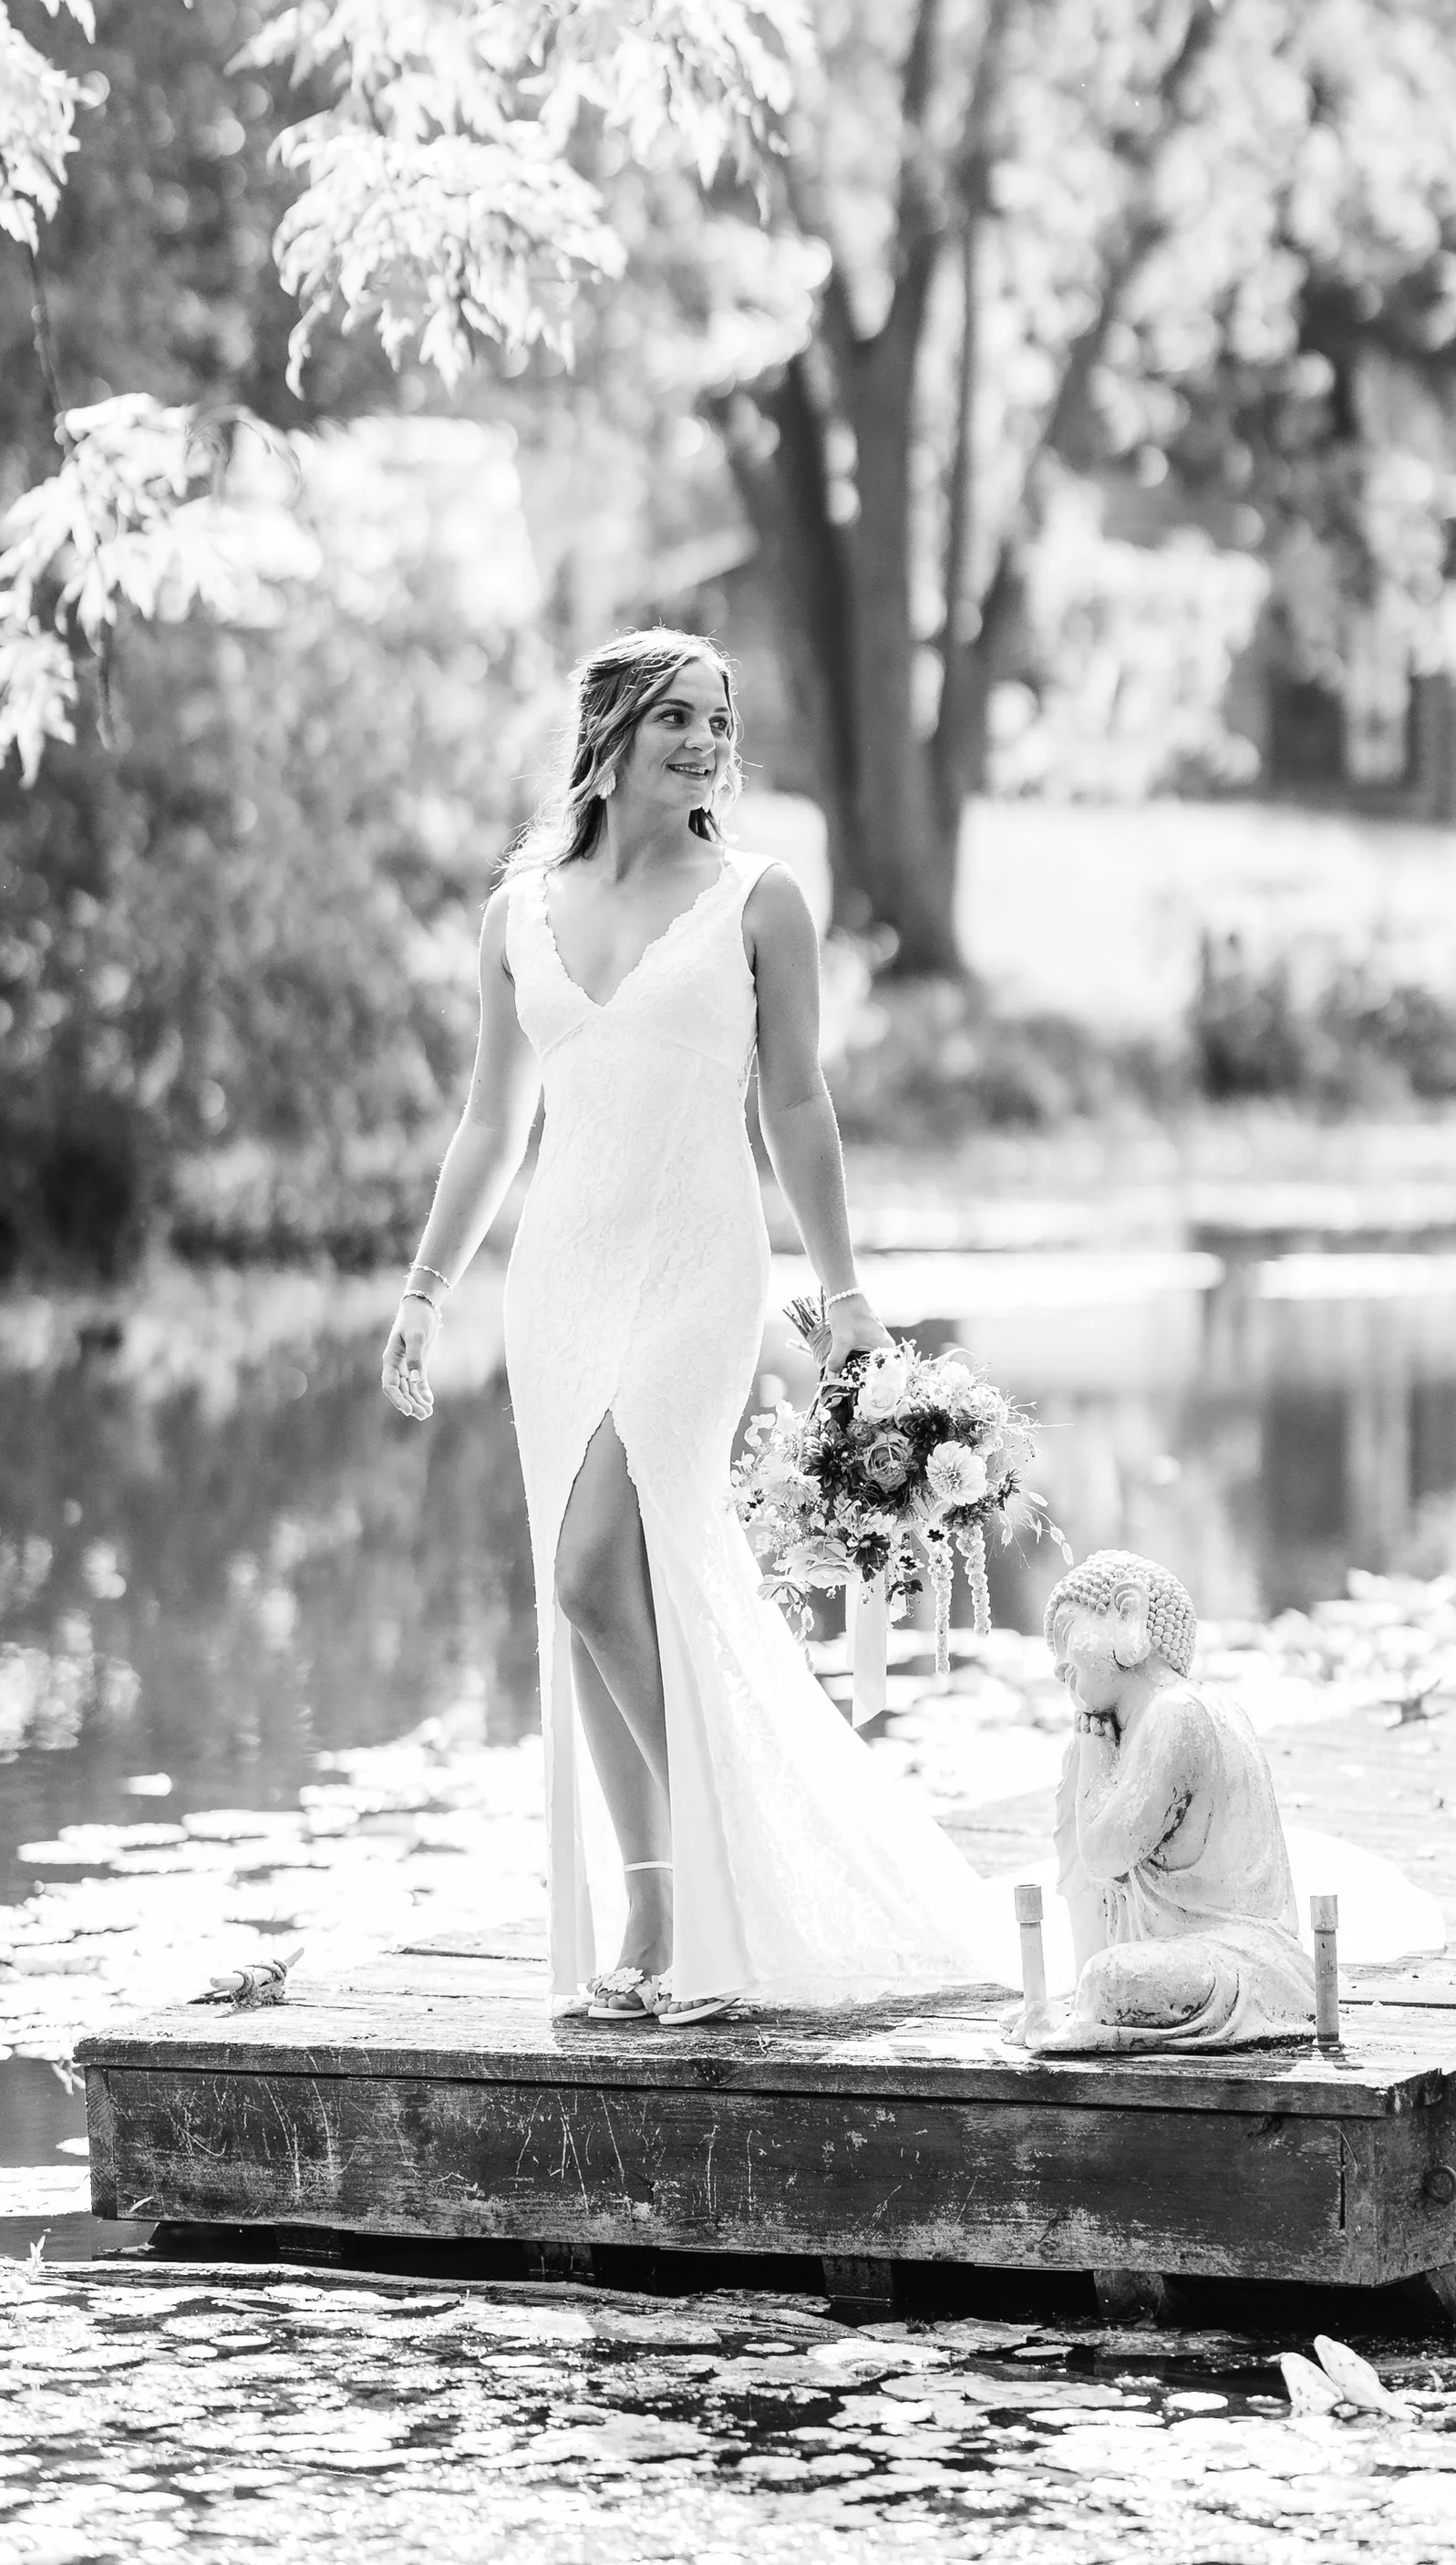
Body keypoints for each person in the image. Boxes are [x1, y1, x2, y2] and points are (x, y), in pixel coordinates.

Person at [379, 626, 1003, 2025]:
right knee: (584, 1588)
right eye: (677, 716)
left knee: (604, 1565)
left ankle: (718, 1878)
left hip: (696, 1270)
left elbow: (795, 1106)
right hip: (559, 1277)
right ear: (608, 730)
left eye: (720, 718)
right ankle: (658, 1905)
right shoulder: (518, 909)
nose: (707, 741)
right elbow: (492, 1117)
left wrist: (843, 1293)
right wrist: (426, 1286)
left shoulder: (757, 899)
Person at [1015, 1548, 1317, 2053]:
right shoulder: (1132, 1727)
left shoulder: (1178, 1714)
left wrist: (1093, 1751)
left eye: (1068, 1635)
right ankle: (1086, 2006)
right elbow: (1090, 1878)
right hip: (1181, 1954)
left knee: (1111, 1980)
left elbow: (1106, 1854)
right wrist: (1086, 1754)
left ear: (1128, 1617)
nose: (1059, 1667)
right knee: (1100, 1978)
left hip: (1243, 1961)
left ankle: (1094, 2006)